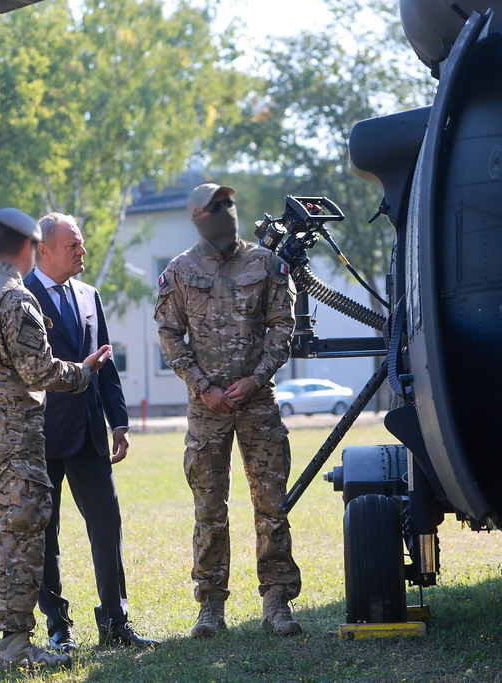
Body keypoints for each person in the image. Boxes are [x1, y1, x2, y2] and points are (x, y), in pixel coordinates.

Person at [0, 207, 112, 671]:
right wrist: (83, 371)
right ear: (27, 248)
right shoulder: (16, 301)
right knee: (19, 539)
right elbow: (38, 371)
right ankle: (17, 648)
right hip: (15, 442)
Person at [154, 183, 304, 638]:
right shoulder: (179, 271)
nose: (226, 211)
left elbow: (284, 326)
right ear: (198, 216)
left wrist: (256, 378)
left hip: (258, 403)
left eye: (229, 204)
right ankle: (211, 607)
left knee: (272, 504)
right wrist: (202, 387)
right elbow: (169, 334)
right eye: (215, 207)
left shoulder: (266, 264)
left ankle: (277, 602)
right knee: (209, 508)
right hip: (207, 409)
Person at [23, 212, 158, 650]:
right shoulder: (19, 297)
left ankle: (115, 623)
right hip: (39, 437)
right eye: (72, 246)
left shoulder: (88, 295)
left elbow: (105, 363)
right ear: (43, 250)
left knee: (107, 525)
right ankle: (58, 627)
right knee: (47, 533)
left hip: (89, 435)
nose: (82, 252)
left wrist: (118, 422)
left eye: (81, 244)